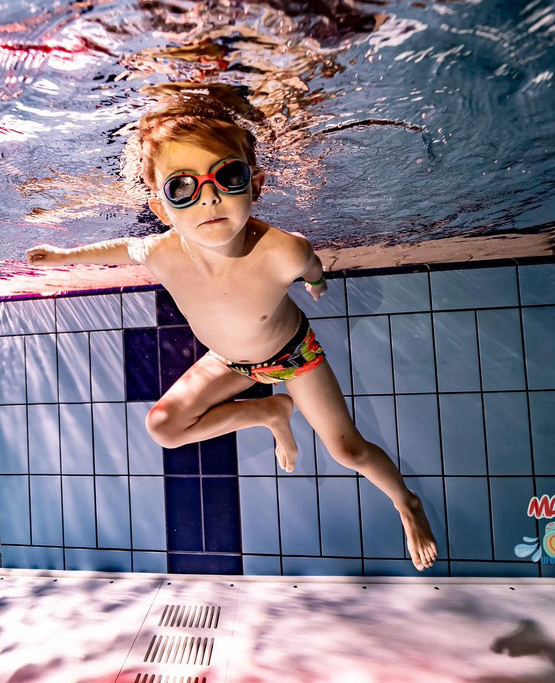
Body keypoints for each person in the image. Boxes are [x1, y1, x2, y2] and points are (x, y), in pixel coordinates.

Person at [25, 97, 438, 571]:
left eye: (228, 176)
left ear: (255, 184)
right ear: (161, 207)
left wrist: (317, 282)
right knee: (164, 428)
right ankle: (268, 411)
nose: (209, 198)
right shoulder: (161, 251)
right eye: (183, 186)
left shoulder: (283, 251)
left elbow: (311, 264)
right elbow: (120, 249)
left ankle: (406, 502)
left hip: (292, 356)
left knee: (347, 449)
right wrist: (63, 257)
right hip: (228, 360)